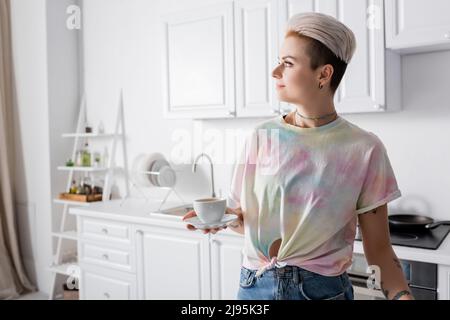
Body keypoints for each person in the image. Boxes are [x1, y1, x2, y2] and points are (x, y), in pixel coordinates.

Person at [183, 12, 413, 300]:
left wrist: (402, 296)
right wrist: (218, 220)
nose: (275, 72)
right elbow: (244, 220)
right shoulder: (262, 137)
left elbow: (378, 247)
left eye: (288, 63)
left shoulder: (365, 148)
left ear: (324, 74)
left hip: (321, 291)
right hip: (254, 287)